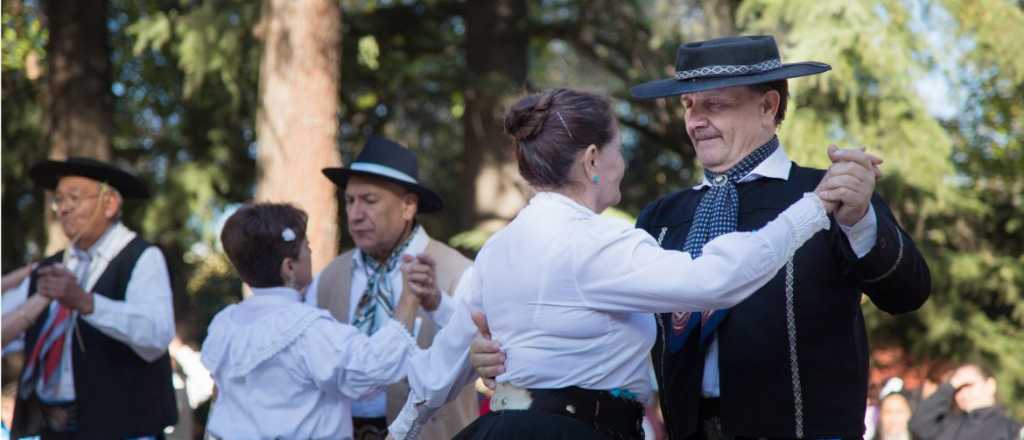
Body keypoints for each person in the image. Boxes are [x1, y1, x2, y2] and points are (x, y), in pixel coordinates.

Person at [471, 35, 932, 439]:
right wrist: (509, 353)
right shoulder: (662, 216)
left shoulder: (827, 194)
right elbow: (605, 323)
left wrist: (860, 220)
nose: (694, 121)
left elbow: (907, 293)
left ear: (768, 106)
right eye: (689, 105)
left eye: (715, 105)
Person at [385, 87, 845, 439]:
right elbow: (716, 280)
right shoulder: (597, 243)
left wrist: (399, 432)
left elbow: (435, 376)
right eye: (617, 150)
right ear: (592, 161)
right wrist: (812, 209)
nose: (621, 163)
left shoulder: (496, 250)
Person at [200, 203, 425, 439]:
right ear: (289, 267)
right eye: (307, 247)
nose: (311, 254)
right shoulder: (307, 329)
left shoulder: (224, 325)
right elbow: (372, 368)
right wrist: (408, 300)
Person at [311, 136, 479, 440]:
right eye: (350, 201)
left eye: (369, 200)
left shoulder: (458, 272)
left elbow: (481, 352)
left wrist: (439, 304)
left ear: (408, 206)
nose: (355, 214)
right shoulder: (327, 279)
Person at [3, 157, 178, 438]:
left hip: (122, 429)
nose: (63, 208)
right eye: (59, 200)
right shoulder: (50, 267)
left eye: (74, 198)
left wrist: (87, 303)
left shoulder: (141, 257)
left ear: (109, 204)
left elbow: (156, 335)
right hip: (53, 429)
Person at [909, 362, 1022, 440]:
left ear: (990, 385)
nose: (962, 393)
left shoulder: (1011, 430)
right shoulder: (950, 425)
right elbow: (918, 424)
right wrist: (950, 386)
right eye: (957, 389)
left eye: (967, 385)